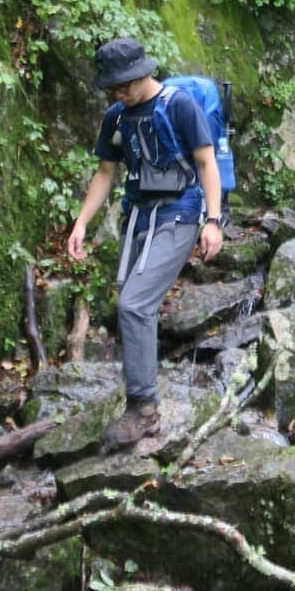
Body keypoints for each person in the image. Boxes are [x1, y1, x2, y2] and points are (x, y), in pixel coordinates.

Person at [67, 37, 223, 451]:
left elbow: (206, 162)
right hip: (138, 216)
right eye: (111, 88)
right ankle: (141, 393)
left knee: (133, 305)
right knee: (136, 304)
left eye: (122, 85)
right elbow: (105, 172)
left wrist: (213, 220)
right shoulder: (117, 116)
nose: (117, 93)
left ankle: (144, 410)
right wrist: (82, 223)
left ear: (142, 73)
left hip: (181, 213)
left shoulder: (179, 106)